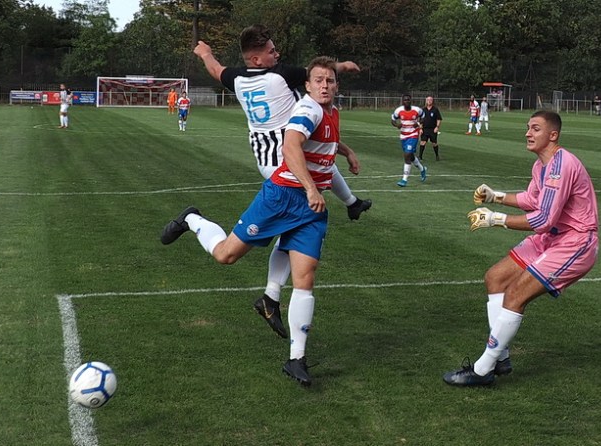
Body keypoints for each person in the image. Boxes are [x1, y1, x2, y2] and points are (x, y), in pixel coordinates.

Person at [161, 56, 362, 387]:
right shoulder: (308, 109)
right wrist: (311, 187)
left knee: (305, 277)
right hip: (282, 198)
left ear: (336, 85)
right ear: (307, 85)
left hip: (311, 210)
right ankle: (192, 219)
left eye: (330, 80)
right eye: (319, 81)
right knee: (226, 254)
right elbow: (291, 145)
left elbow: (324, 139)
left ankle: (297, 359)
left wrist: (347, 152)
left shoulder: (331, 112)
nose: (325, 85)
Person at [193, 25, 371, 340]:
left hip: (265, 158)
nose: (277, 54)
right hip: (285, 163)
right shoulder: (278, 76)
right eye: (272, 51)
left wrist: (205, 52)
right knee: (311, 185)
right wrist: (342, 67)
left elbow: (215, 69)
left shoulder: (237, 77)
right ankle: (351, 204)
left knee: (294, 227)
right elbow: (318, 73)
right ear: (258, 58)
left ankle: (271, 298)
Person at [443, 110, 600, 387]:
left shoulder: (562, 165)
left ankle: (482, 369)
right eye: (527, 127)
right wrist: (497, 196)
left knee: (516, 294)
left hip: (575, 241)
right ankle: (500, 356)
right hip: (553, 236)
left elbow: (542, 218)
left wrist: (495, 219)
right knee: (496, 278)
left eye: (536, 129)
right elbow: (532, 199)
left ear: (553, 135)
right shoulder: (541, 166)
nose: (528, 133)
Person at [391, 94, 427, 187]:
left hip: (413, 135)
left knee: (407, 154)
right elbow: (393, 120)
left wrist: (418, 123)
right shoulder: (399, 110)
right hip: (403, 136)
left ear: (411, 101)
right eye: (405, 100)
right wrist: (396, 125)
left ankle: (404, 180)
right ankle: (422, 169)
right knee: (410, 156)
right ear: (403, 101)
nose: (407, 101)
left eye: (408, 100)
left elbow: (423, 116)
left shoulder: (417, 110)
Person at [418, 96, 442, 161]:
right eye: (428, 100)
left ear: (432, 101)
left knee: (434, 143)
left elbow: (439, 119)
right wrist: (420, 129)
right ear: (426, 101)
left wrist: (437, 127)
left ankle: (437, 156)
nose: (429, 101)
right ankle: (420, 156)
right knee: (423, 142)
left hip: (432, 129)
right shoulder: (423, 109)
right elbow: (420, 120)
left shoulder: (435, 109)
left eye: (430, 100)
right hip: (425, 129)